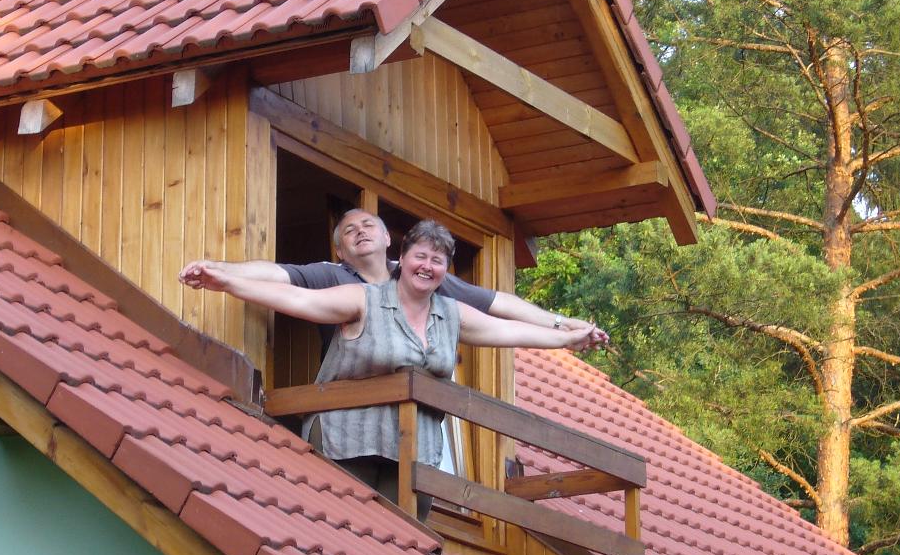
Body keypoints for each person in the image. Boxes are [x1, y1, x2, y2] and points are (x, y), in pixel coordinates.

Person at [181, 220, 598, 519]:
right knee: (348, 532)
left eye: (437, 260)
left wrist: (566, 336)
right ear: (403, 259)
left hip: (413, 448)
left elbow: (508, 329)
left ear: (445, 270)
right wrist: (226, 280)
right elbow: (296, 299)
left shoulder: (451, 313)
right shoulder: (361, 297)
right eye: (421, 256)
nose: (427, 266)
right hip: (348, 438)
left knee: (407, 545)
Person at [179, 207, 608, 344]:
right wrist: (220, 270)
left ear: (389, 239)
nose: (359, 231)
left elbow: (499, 310)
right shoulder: (333, 278)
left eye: (368, 224)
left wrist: (560, 325)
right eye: (349, 230)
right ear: (339, 249)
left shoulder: (420, 277)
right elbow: (279, 279)